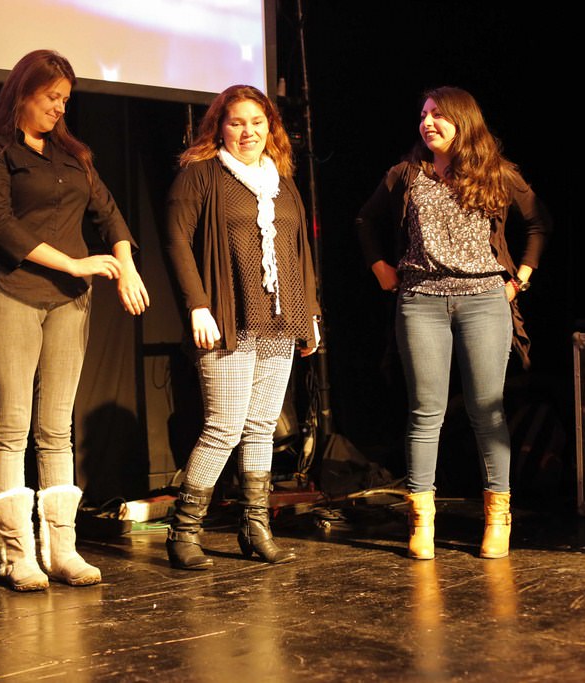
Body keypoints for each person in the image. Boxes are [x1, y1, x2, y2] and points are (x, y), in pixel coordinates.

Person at [0, 50, 149, 590]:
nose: (59, 108)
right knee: (12, 427)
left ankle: (62, 549)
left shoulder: (73, 155)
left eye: (65, 100)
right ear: (23, 93)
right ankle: (17, 554)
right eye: (51, 97)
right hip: (12, 292)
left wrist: (126, 266)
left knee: (56, 427)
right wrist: (73, 262)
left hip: (68, 302)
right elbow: (0, 224)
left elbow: (109, 214)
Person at [356, 86, 552, 560]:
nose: (428, 123)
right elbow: (365, 220)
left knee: (488, 411)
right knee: (426, 412)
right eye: (424, 115)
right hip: (421, 301)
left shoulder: (496, 173)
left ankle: (498, 518)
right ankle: (421, 522)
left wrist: (520, 279)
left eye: (439, 115)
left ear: (464, 121)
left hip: (484, 302)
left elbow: (538, 223)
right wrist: (380, 267)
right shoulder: (407, 173)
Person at [162, 84, 321, 570]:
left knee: (261, 428)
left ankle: (255, 526)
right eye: (237, 122)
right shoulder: (201, 175)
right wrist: (197, 305)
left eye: (257, 122)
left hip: (280, 319)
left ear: (270, 126)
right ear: (220, 127)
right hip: (228, 319)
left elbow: (300, 251)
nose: (248, 131)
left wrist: (311, 314)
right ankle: (183, 529)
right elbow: (176, 241)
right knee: (223, 427)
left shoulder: (282, 182)